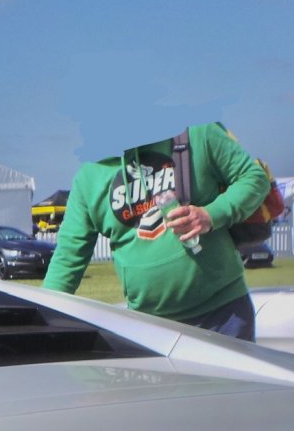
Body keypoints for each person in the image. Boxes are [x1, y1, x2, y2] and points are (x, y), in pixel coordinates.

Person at [43, 122, 271, 341]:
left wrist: (211, 215)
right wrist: (43, 321)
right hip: (148, 328)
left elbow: (253, 178)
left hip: (223, 316)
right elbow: (68, 258)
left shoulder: (197, 132)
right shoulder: (89, 176)